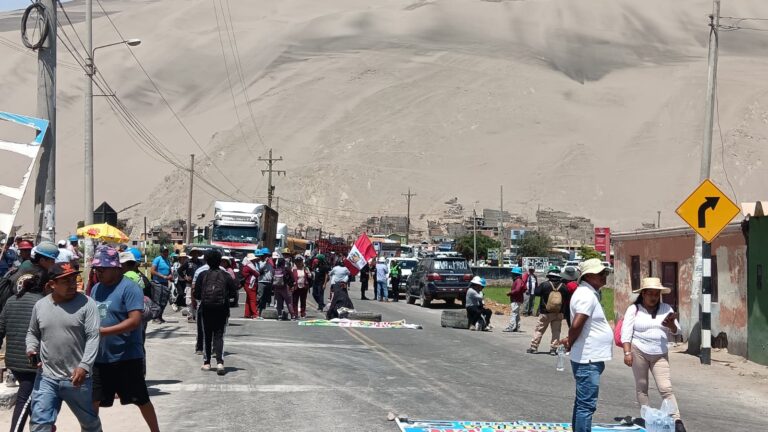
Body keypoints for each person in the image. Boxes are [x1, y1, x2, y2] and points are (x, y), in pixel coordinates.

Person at [89, 246, 160, 432]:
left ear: (116, 268)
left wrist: (104, 332)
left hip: (126, 356)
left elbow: (135, 321)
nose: (99, 273)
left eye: (102, 269)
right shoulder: (96, 289)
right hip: (101, 356)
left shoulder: (130, 288)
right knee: (92, 401)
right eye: (96, 269)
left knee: (141, 400)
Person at [25, 262, 102, 432]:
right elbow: (32, 332)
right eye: (66, 281)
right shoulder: (41, 306)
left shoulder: (87, 304)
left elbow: (93, 336)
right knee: (40, 423)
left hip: (77, 380)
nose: (73, 284)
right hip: (47, 377)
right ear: (52, 284)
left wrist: (84, 366)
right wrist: (31, 349)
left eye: (74, 279)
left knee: (89, 423)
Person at [621, 277, 686, 432]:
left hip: (660, 354)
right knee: (642, 387)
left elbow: (678, 331)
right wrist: (627, 352)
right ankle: (646, 418)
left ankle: (676, 420)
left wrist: (671, 325)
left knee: (666, 388)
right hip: (639, 352)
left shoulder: (666, 309)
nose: (654, 297)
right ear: (643, 294)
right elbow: (626, 332)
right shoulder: (634, 309)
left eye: (656, 294)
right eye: (650, 293)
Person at [560, 259, 612, 432]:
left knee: (582, 403)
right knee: (586, 405)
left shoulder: (588, 293)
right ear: (589, 276)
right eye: (601, 274)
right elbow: (576, 324)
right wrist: (570, 342)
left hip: (590, 356)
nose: (605, 276)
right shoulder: (586, 295)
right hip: (588, 357)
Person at [0, 265, 49, 431]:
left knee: (34, 399)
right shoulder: (43, 303)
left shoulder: (11, 301)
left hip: (14, 363)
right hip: (32, 362)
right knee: (26, 399)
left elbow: (0, 330)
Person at [194, 249, 238, 375]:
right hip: (222, 309)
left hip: (206, 309)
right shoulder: (225, 275)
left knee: (207, 335)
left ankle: (207, 363)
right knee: (219, 336)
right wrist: (227, 303)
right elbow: (234, 293)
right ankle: (220, 362)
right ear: (220, 261)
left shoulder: (203, 275)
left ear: (207, 261)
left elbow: (196, 294)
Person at [527, 268, 566, 355]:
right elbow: (566, 297)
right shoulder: (563, 286)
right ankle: (553, 349)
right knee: (556, 331)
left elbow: (536, 292)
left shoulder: (545, 285)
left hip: (545, 312)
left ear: (549, 275)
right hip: (558, 313)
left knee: (539, 330)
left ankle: (534, 347)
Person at [149, 247, 172, 323]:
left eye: (167, 251)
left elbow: (169, 271)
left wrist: (170, 276)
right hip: (157, 282)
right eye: (164, 252)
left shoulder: (168, 260)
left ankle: (160, 316)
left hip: (165, 282)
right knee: (157, 300)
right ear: (161, 252)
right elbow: (152, 271)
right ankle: (154, 317)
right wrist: (163, 276)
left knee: (164, 300)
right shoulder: (157, 259)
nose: (166, 253)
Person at [503, 267, 525, 332]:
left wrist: (510, 293)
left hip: (516, 299)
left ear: (516, 274)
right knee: (516, 313)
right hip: (518, 299)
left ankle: (511, 327)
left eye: (513, 274)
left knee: (514, 313)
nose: (512, 275)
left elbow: (517, 290)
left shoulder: (518, 280)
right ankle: (517, 327)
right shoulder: (519, 280)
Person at [241, 253, 260, 319]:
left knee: (249, 300)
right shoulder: (249, 266)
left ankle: (247, 314)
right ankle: (255, 314)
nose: (255, 260)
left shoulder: (248, 265)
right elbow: (257, 274)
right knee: (253, 300)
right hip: (250, 285)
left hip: (248, 284)